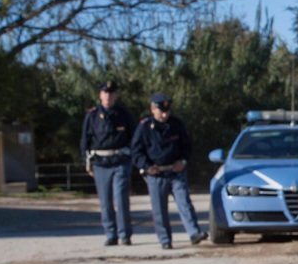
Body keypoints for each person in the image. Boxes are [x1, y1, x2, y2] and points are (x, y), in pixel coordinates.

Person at [130, 93, 209, 249]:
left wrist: (183, 161)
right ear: (153, 109)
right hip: (156, 173)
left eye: (167, 111)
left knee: (184, 202)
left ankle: (194, 233)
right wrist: (146, 166)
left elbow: (186, 146)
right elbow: (136, 152)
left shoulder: (176, 124)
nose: (165, 114)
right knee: (159, 209)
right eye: (161, 111)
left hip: (175, 171)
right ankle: (165, 240)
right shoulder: (145, 127)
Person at [80, 79, 135, 246]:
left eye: (111, 93)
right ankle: (111, 233)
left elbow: (134, 138)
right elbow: (85, 140)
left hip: (120, 161)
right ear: (100, 94)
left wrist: (133, 158)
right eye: (105, 92)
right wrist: (86, 162)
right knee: (105, 201)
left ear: (116, 95)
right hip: (101, 163)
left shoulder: (123, 114)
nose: (108, 96)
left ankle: (124, 234)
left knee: (121, 199)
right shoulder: (92, 115)